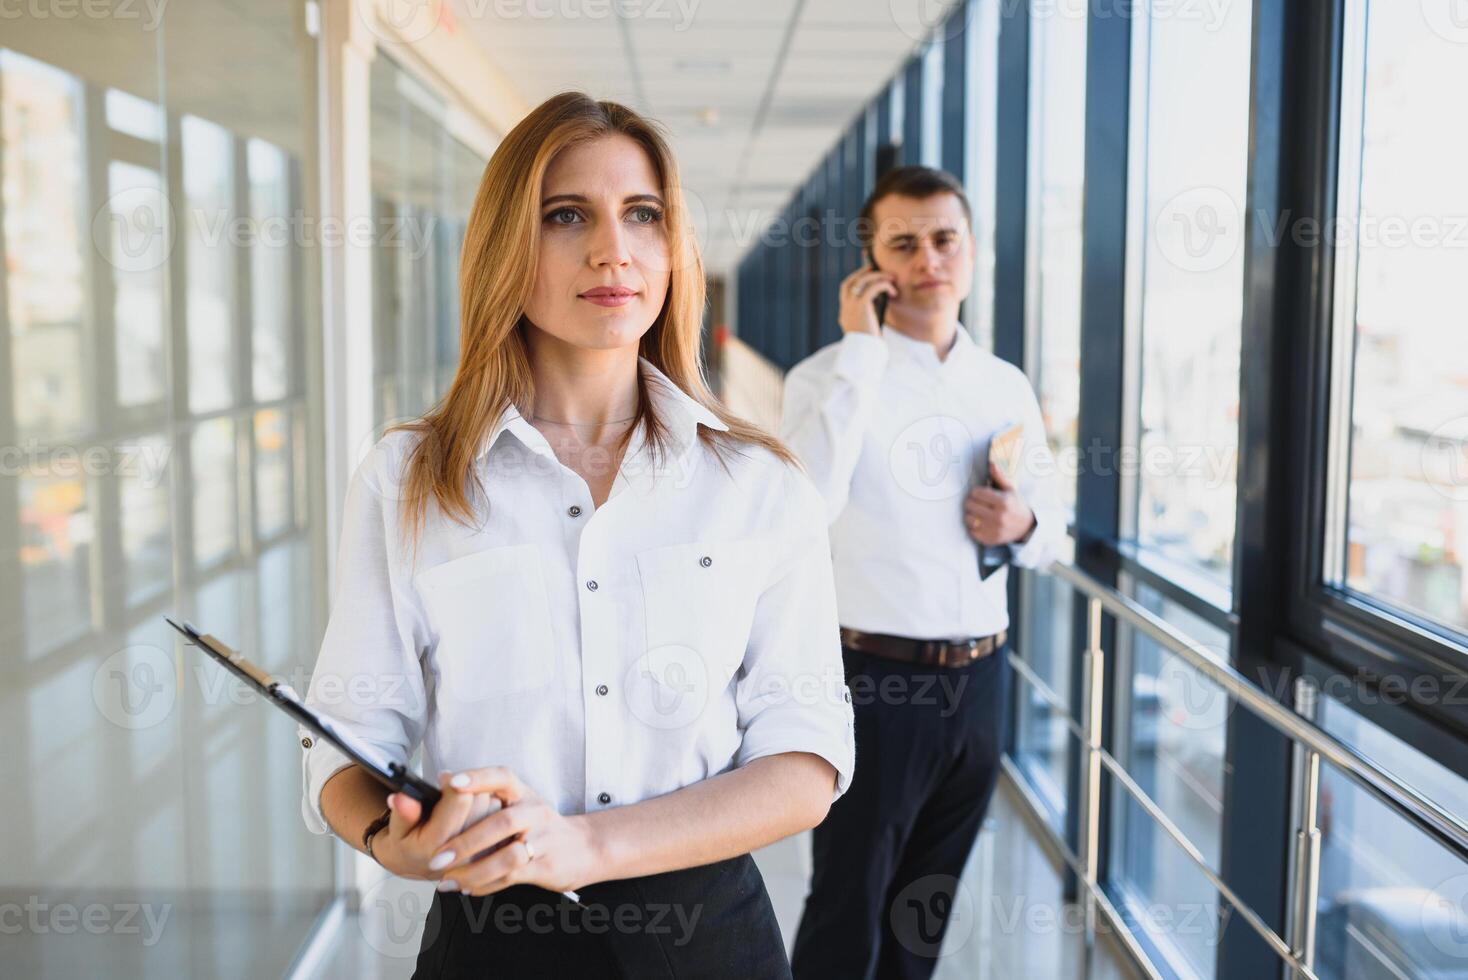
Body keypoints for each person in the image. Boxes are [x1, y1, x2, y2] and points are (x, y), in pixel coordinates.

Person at [298, 91, 855, 979]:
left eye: (643, 215)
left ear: (675, 251)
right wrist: (397, 845)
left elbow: (805, 761)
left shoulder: (757, 484)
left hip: (708, 944)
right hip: (491, 943)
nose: (613, 250)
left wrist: (587, 847)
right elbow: (348, 737)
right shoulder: (408, 480)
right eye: (566, 216)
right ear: (504, 249)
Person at [782, 165, 1066, 979]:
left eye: (944, 239)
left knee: (926, 905)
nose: (928, 259)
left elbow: (1054, 535)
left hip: (981, 680)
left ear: (970, 251)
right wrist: (860, 349)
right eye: (904, 243)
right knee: (848, 899)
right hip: (874, 676)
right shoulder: (827, 378)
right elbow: (809, 499)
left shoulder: (1003, 383)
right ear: (872, 263)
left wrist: (1025, 524)